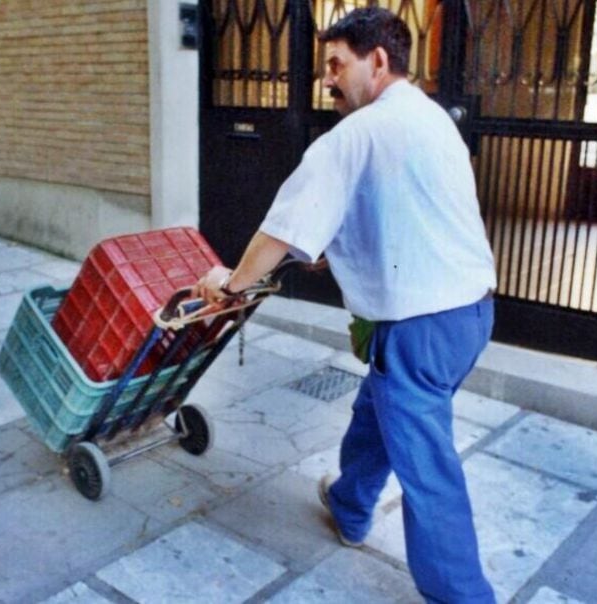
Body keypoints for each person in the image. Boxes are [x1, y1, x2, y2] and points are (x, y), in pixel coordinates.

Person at [194, 8, 497, 604]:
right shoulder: (431, 120)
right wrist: (340, 250)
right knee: (380, 410)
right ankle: (352, 505)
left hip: (418, 324)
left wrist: (231, 286)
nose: (326, 79)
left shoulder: (356, 134)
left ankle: (464, 596)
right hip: (471, 314)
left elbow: (278, 233)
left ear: (377, 61)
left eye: (336, 65)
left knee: (426, 468)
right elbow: (411, 208)